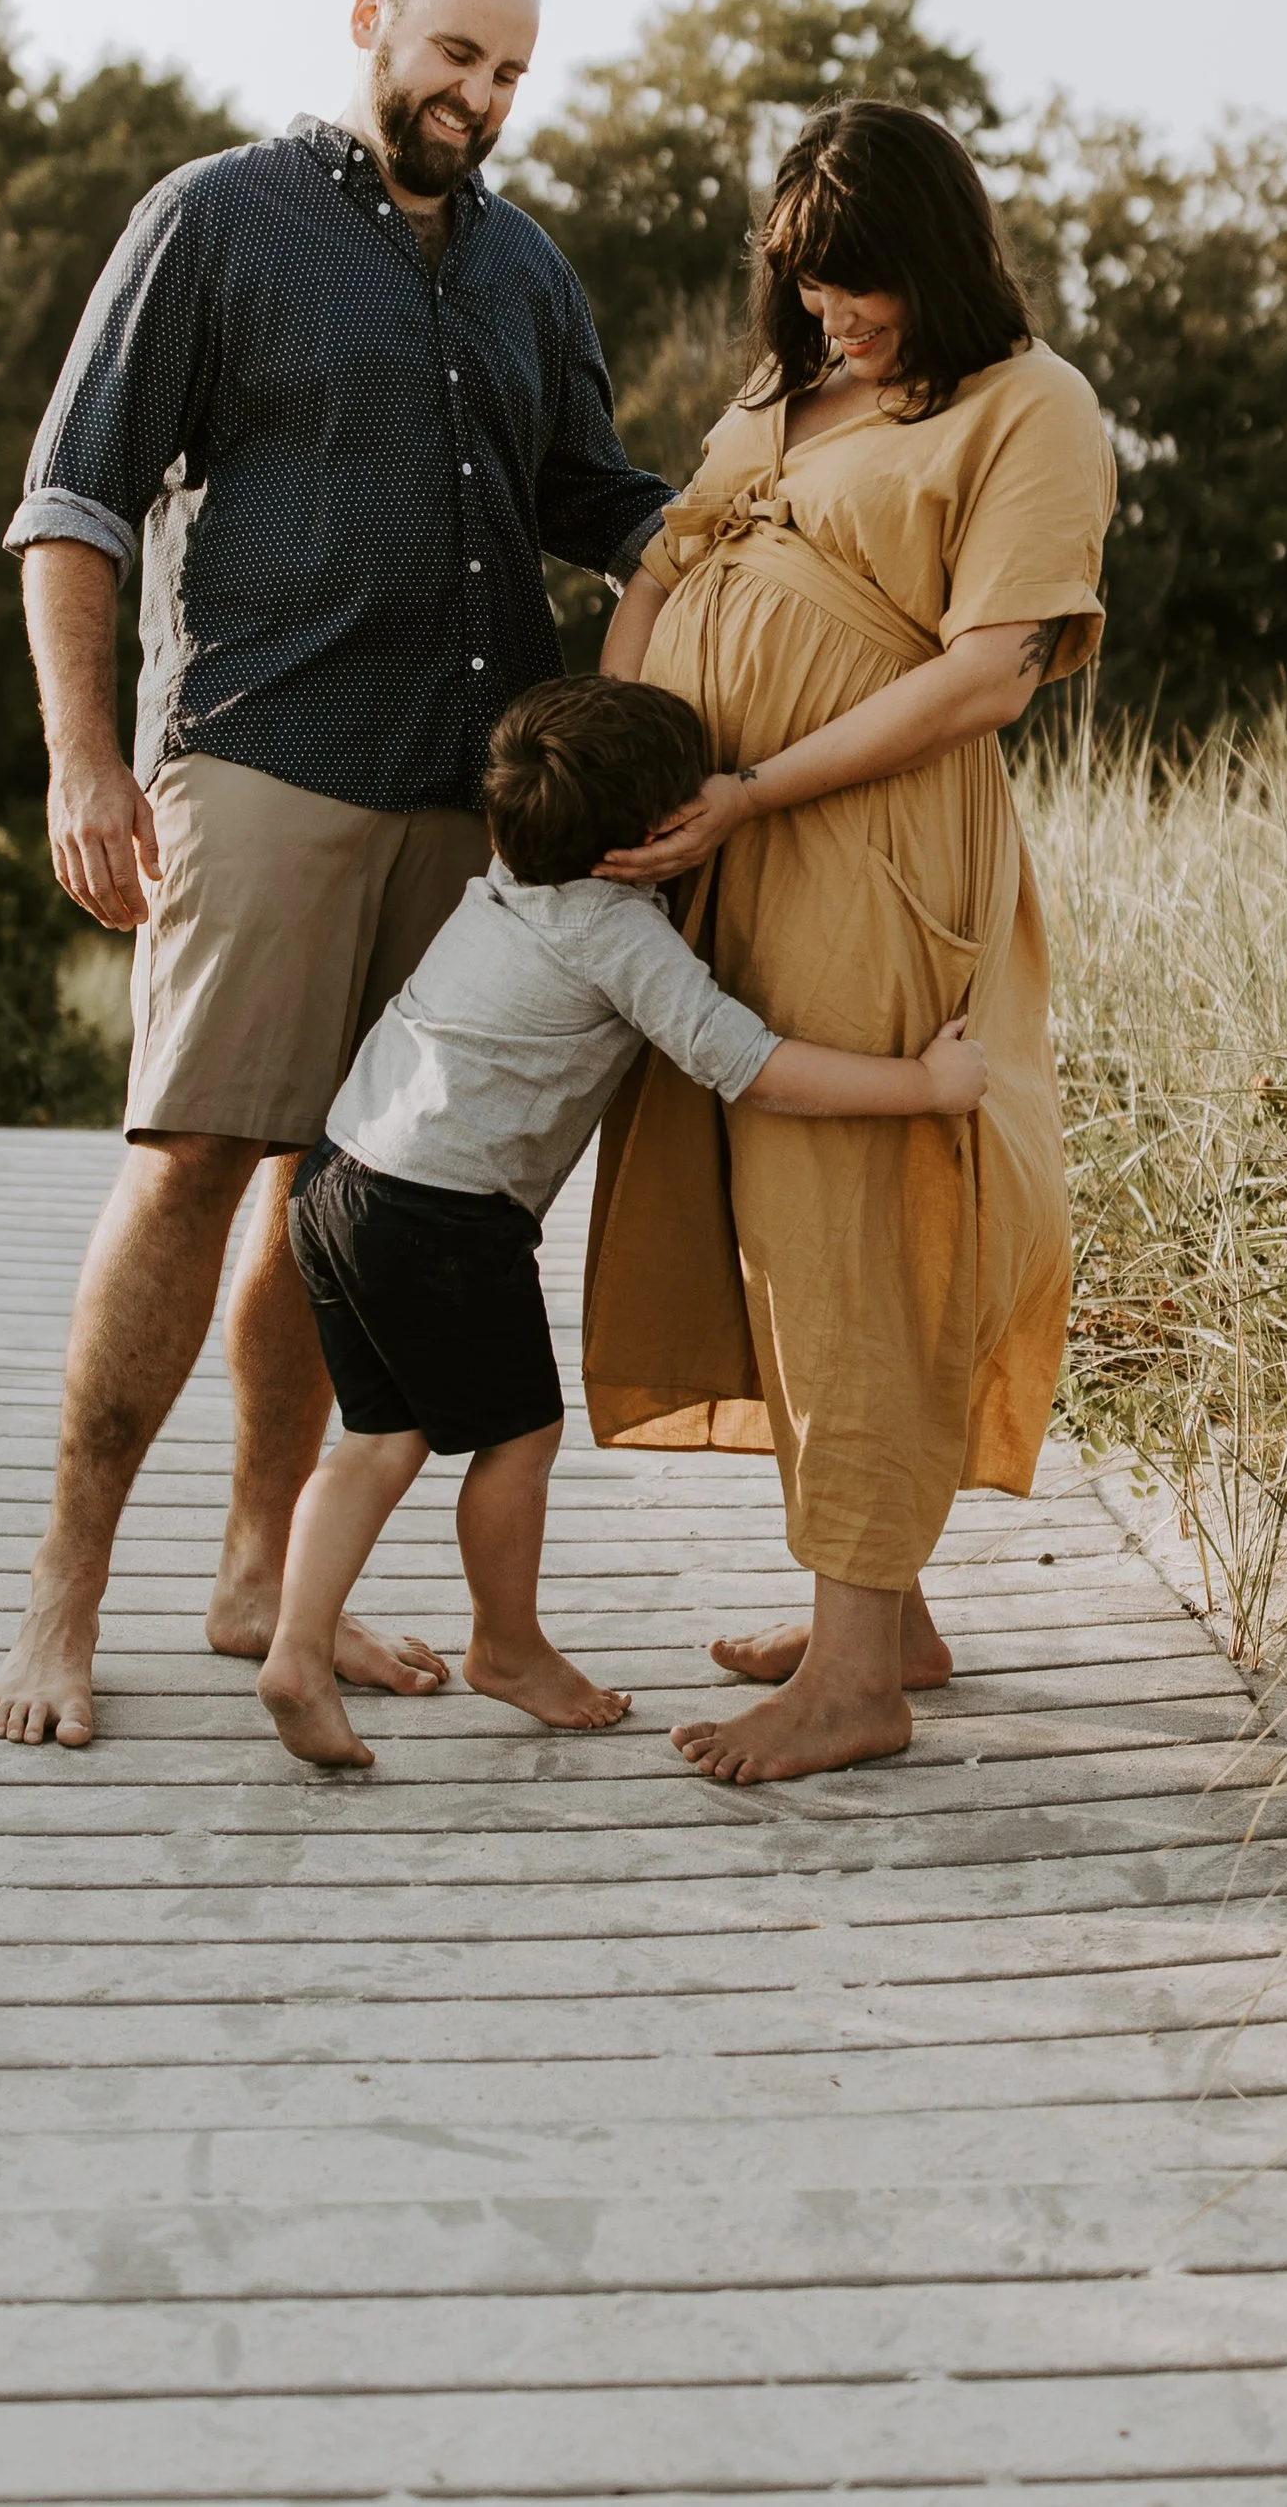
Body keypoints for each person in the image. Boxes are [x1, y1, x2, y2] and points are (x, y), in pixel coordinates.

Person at [0, 0, 674, 1747]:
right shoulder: (214, 220)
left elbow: (603, 498)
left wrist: (789, 497)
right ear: (371, 16)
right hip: (265, 757)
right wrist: (81, 761)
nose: (483, 97)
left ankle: (256, 1579)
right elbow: (75, 496)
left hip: (471, 801)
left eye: (513, 71)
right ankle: (64, 1601)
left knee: (344, 1195)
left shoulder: (530, 273)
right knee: (201, 1161)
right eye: (456, 54)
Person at [590, 99, 1116, 1786]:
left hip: (871, 854)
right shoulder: (779, 394)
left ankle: (855, 1683)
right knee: (764, 1222)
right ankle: (880, 1615)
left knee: (854, 1222)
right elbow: (666, 565)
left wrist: (751, 789)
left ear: (940, 257)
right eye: (806, 283)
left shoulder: (1031, 408)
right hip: (724, 842)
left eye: (860, 282)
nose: (831, 314)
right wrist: (623, 757)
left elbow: (990, 673)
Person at [261, 676, 989, 1769]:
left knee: (375, 1438)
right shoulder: (616, 934)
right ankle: (506, 1646)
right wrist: (925, 1086)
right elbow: (750, 1064)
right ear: (652, 837)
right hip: (442, 1212)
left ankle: (295, 1650)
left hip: (338, 1176)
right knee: (518, 1439)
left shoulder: (509, 872)